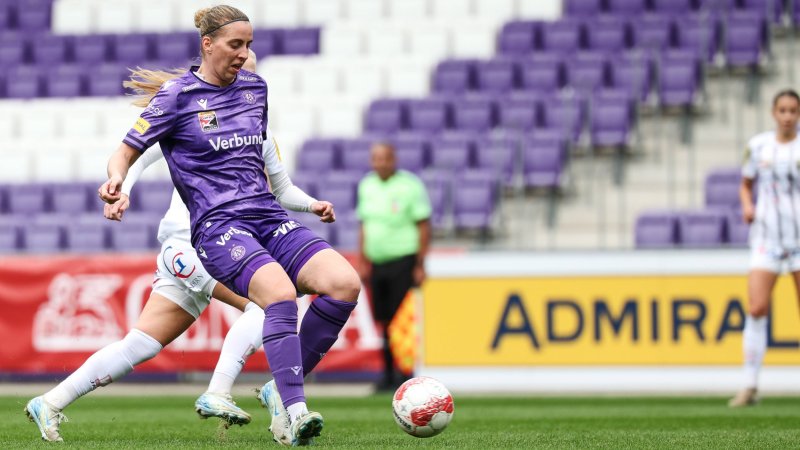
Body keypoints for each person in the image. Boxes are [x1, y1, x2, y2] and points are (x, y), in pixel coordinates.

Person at [24, 50, 333, 445]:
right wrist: (122, 191)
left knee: (140, 344)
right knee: (269, 303)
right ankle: (220, 391)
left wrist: (312, 205)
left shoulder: (258, 134)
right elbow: (137, 155)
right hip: (190, 244)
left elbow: (282, 188)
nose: (243, 79)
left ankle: (49, 402)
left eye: (250, 73)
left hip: (212, 248)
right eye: (239, 69)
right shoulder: (190, 114)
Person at [729, 89, 800, 407]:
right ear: (773, 112)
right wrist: (747, 206)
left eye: (793, 111)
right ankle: (749, 384)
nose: (787, 116)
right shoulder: (757, 146)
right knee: (756, 308)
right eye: (782, 110)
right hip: (766, 239)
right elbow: (746, 184)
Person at [356, 142, 431, 391]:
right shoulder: (366, 185)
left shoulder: (410, 185)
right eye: (376, 158)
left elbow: (423, 225)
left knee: (402, 321)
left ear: (393, 159)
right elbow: (364, 225)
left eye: (385, 158)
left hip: (403, 260)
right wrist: (363, 260)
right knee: (385, 321)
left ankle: (405, 372)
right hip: (377, 263)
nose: (381, 163)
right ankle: (387, 374)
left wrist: (420, 264)